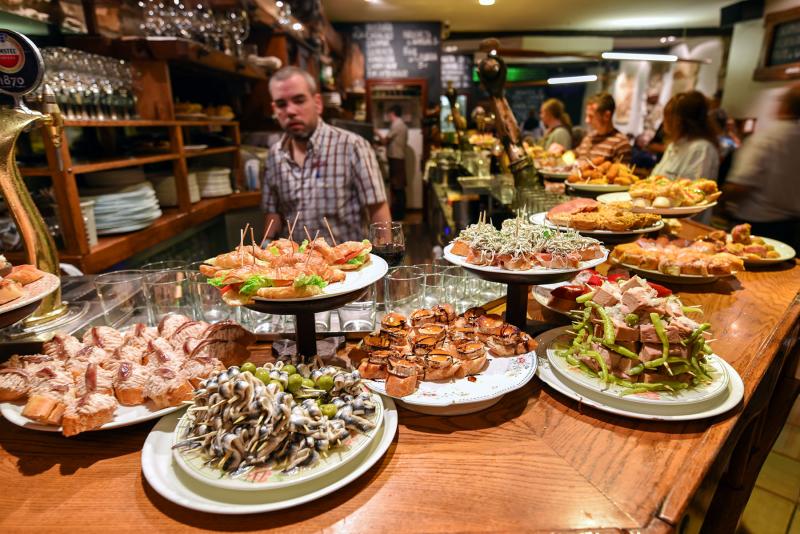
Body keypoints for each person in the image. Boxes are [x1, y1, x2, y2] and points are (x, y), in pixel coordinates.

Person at [262, 66, 391, 242]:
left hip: (345, 265)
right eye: (281, 104)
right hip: (295, 265)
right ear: (274, 109)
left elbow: (378, 209)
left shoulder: (352, 146)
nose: (290, 111)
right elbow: (273, 212)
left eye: (299, 100)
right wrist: (265, 245)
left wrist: (385, 260)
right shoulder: (274, 156)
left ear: (317, 103)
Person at [722, 83, 800, 250]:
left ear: (784, 106)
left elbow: (740, 186)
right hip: (794, 227)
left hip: (757, 226)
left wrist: (718, 202)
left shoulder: (765, 140)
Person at [651, 91, 719, 181]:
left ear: (678, 121)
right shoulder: (673, 145)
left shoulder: (702, 149)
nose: (663, 122)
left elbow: (695, 190)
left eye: (666, 117)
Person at [574, 93, 632, 163]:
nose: (587, 120)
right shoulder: (588, 138)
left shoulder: (621, 144)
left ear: (606, 116)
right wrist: (562, 151)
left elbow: (621, 172)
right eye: (587, 115)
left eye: (591, 116)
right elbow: (575, 156)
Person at [382, 105, 408, 220]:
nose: (388, 116)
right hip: (398, 158)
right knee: (398, 186)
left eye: (389, 114)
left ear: (392, 113)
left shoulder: (397, 124)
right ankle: (399, 214)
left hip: (396, 159)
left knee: (397, 187)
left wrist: (375, 132)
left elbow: (385, 140)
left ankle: (398, 215)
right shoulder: (401, 124)